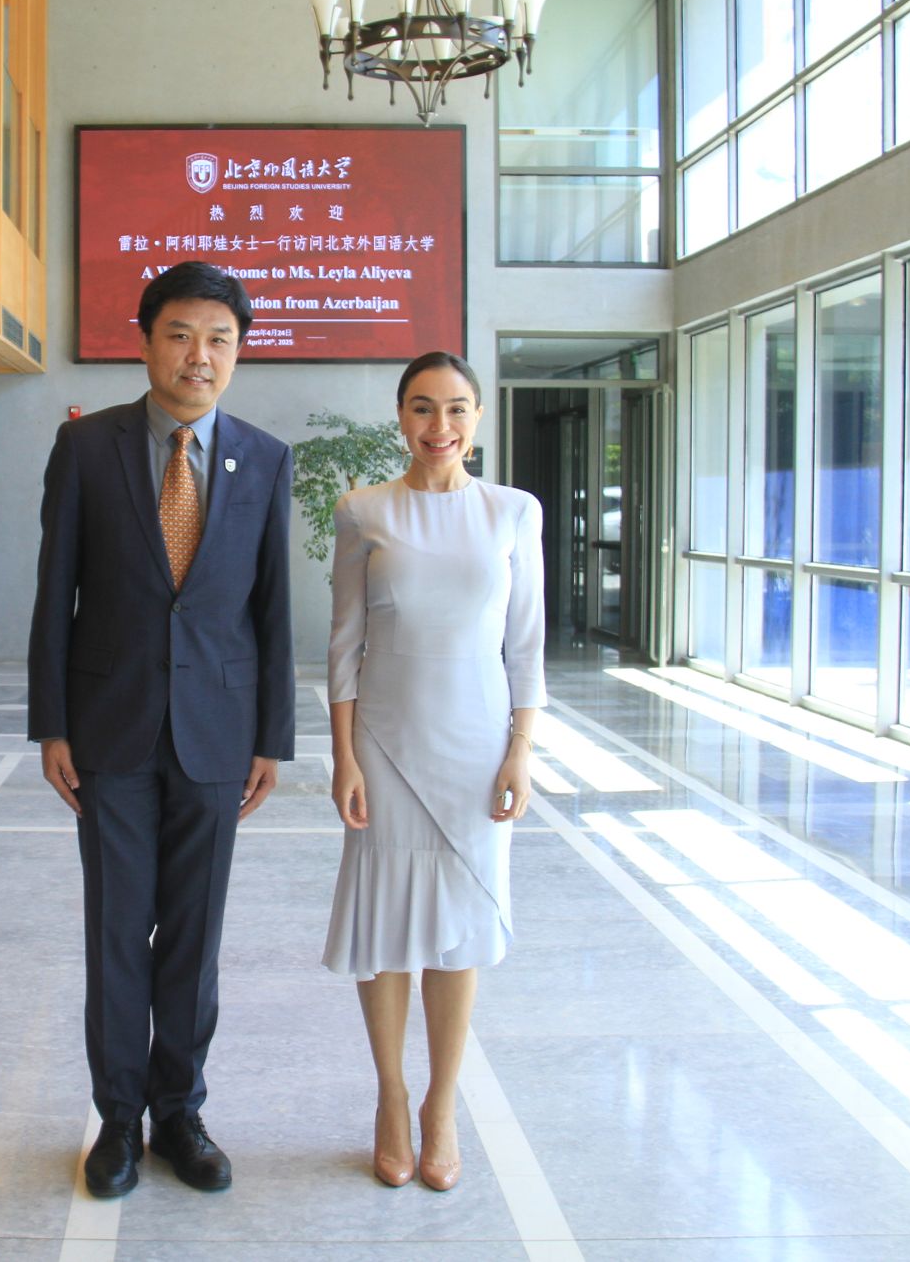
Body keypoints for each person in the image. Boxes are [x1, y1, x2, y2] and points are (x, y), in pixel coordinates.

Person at [28, 260, 296, 1198]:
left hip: (219, 737)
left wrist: (271, 737)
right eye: (180, 335)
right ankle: (117, 1119)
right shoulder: (87, 446)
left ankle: (180, 1111)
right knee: (115, 930)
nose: (199, 356)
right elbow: (54, 593)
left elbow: (274, 610)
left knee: (193, 933)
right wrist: (52, 724)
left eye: (220, 339)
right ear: (145, 342)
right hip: (109, 732)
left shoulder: (265, 457)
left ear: (238, 353)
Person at [320, 350, 546, 1191]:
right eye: (422, 407)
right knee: (386, 930)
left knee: (459, 932)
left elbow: (526, 643)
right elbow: (344, 646)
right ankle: (389, 1095)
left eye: (455, 408)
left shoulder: (513, 511)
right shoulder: (362, 510)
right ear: (400, 417)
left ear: (477, 418)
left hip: (478, 745)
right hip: (385, 741)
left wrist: (521, 748)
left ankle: (440, 1104)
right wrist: (344, 755)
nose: (438, 425)